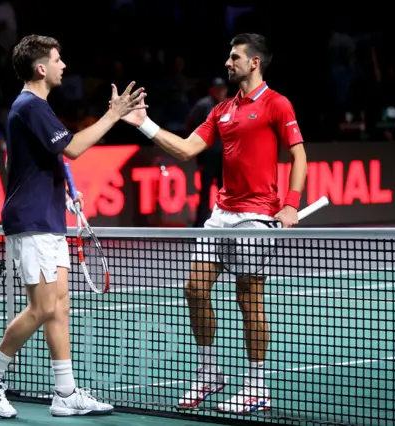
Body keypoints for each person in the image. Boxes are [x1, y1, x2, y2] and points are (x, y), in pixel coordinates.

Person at [118, 33, 307, 414]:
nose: (228, 62)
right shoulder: (221, 110)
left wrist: (290, 205)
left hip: (257, 214)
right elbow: (187, 149)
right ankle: (209, 372)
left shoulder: (277, 104)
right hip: (222, 214)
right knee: (194, 288)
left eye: (235, 57)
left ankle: (256, 387)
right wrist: (143, 123)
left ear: (254, 62)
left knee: (247, 298)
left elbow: (299, 156)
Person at [0, 34, 146, 419]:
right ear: (41, 68)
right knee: (42, 306)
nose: (65, 65)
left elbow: (44, 160)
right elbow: (75, 149)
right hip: (32, 222)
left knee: (59, 306)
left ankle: (65, 393)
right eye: (58, 60)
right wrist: (113, 114)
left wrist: (64, 193)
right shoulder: (31, 105)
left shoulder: (34, 109)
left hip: (47, 217)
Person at [185, 77, 228, 227]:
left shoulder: (229, 105)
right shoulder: (202, 106)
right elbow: (190, 126)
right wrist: (198, 148)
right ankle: (200, 225)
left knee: (225, 193)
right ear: (212, 91)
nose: (220, 93)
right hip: (207, 157)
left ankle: (226, 224)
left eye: (222, 89)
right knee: (205, 193)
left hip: (226, 159)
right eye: (217, 90)